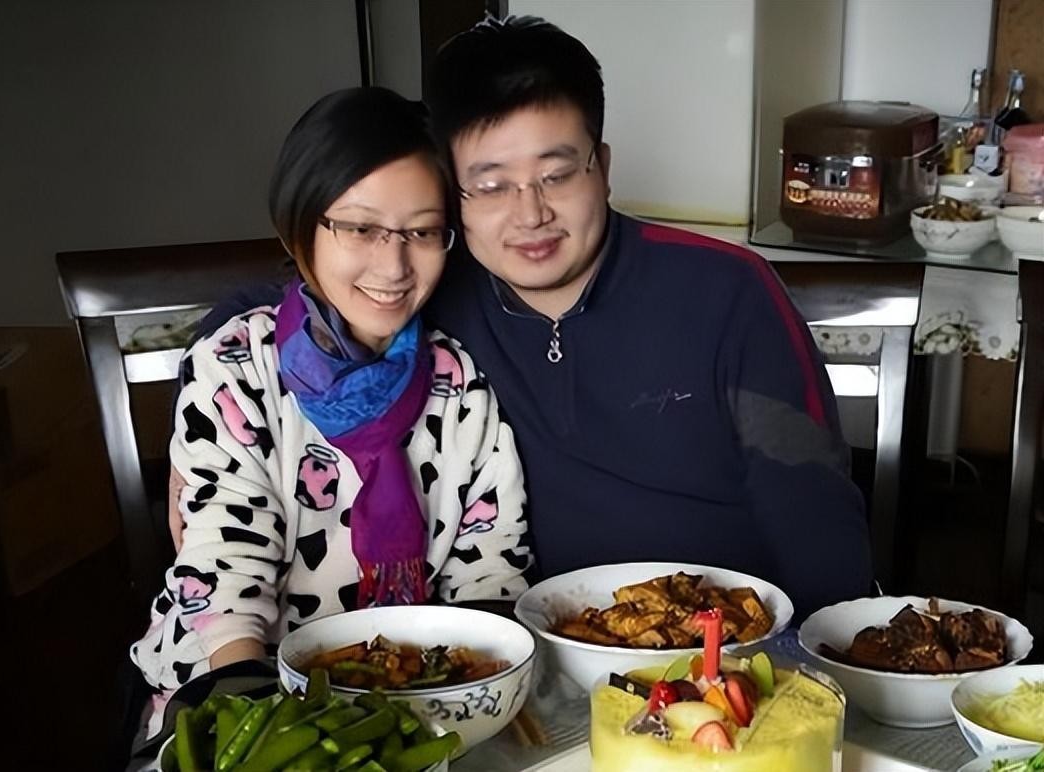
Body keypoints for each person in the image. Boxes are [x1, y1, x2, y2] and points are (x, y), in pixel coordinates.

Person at [175, 15, 872, 620]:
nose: (530, 213)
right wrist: (206, 383)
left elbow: (815, 514)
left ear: (602, 166)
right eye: (490, 185)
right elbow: (291, 297)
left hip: (728, 646)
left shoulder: (728, 292)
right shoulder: (436, 286)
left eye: (557, 174)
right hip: (541, 649)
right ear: (453, 197)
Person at [131, 86, 532, 738]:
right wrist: (270, 733)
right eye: (361, 227)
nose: (394, 265)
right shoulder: (235, 367)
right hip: (236, 687)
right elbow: (226, 576)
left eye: (422, 231)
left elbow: (490, 570)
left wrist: (465, 703)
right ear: (299, 228)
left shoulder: (460, 382)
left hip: (416, 698)